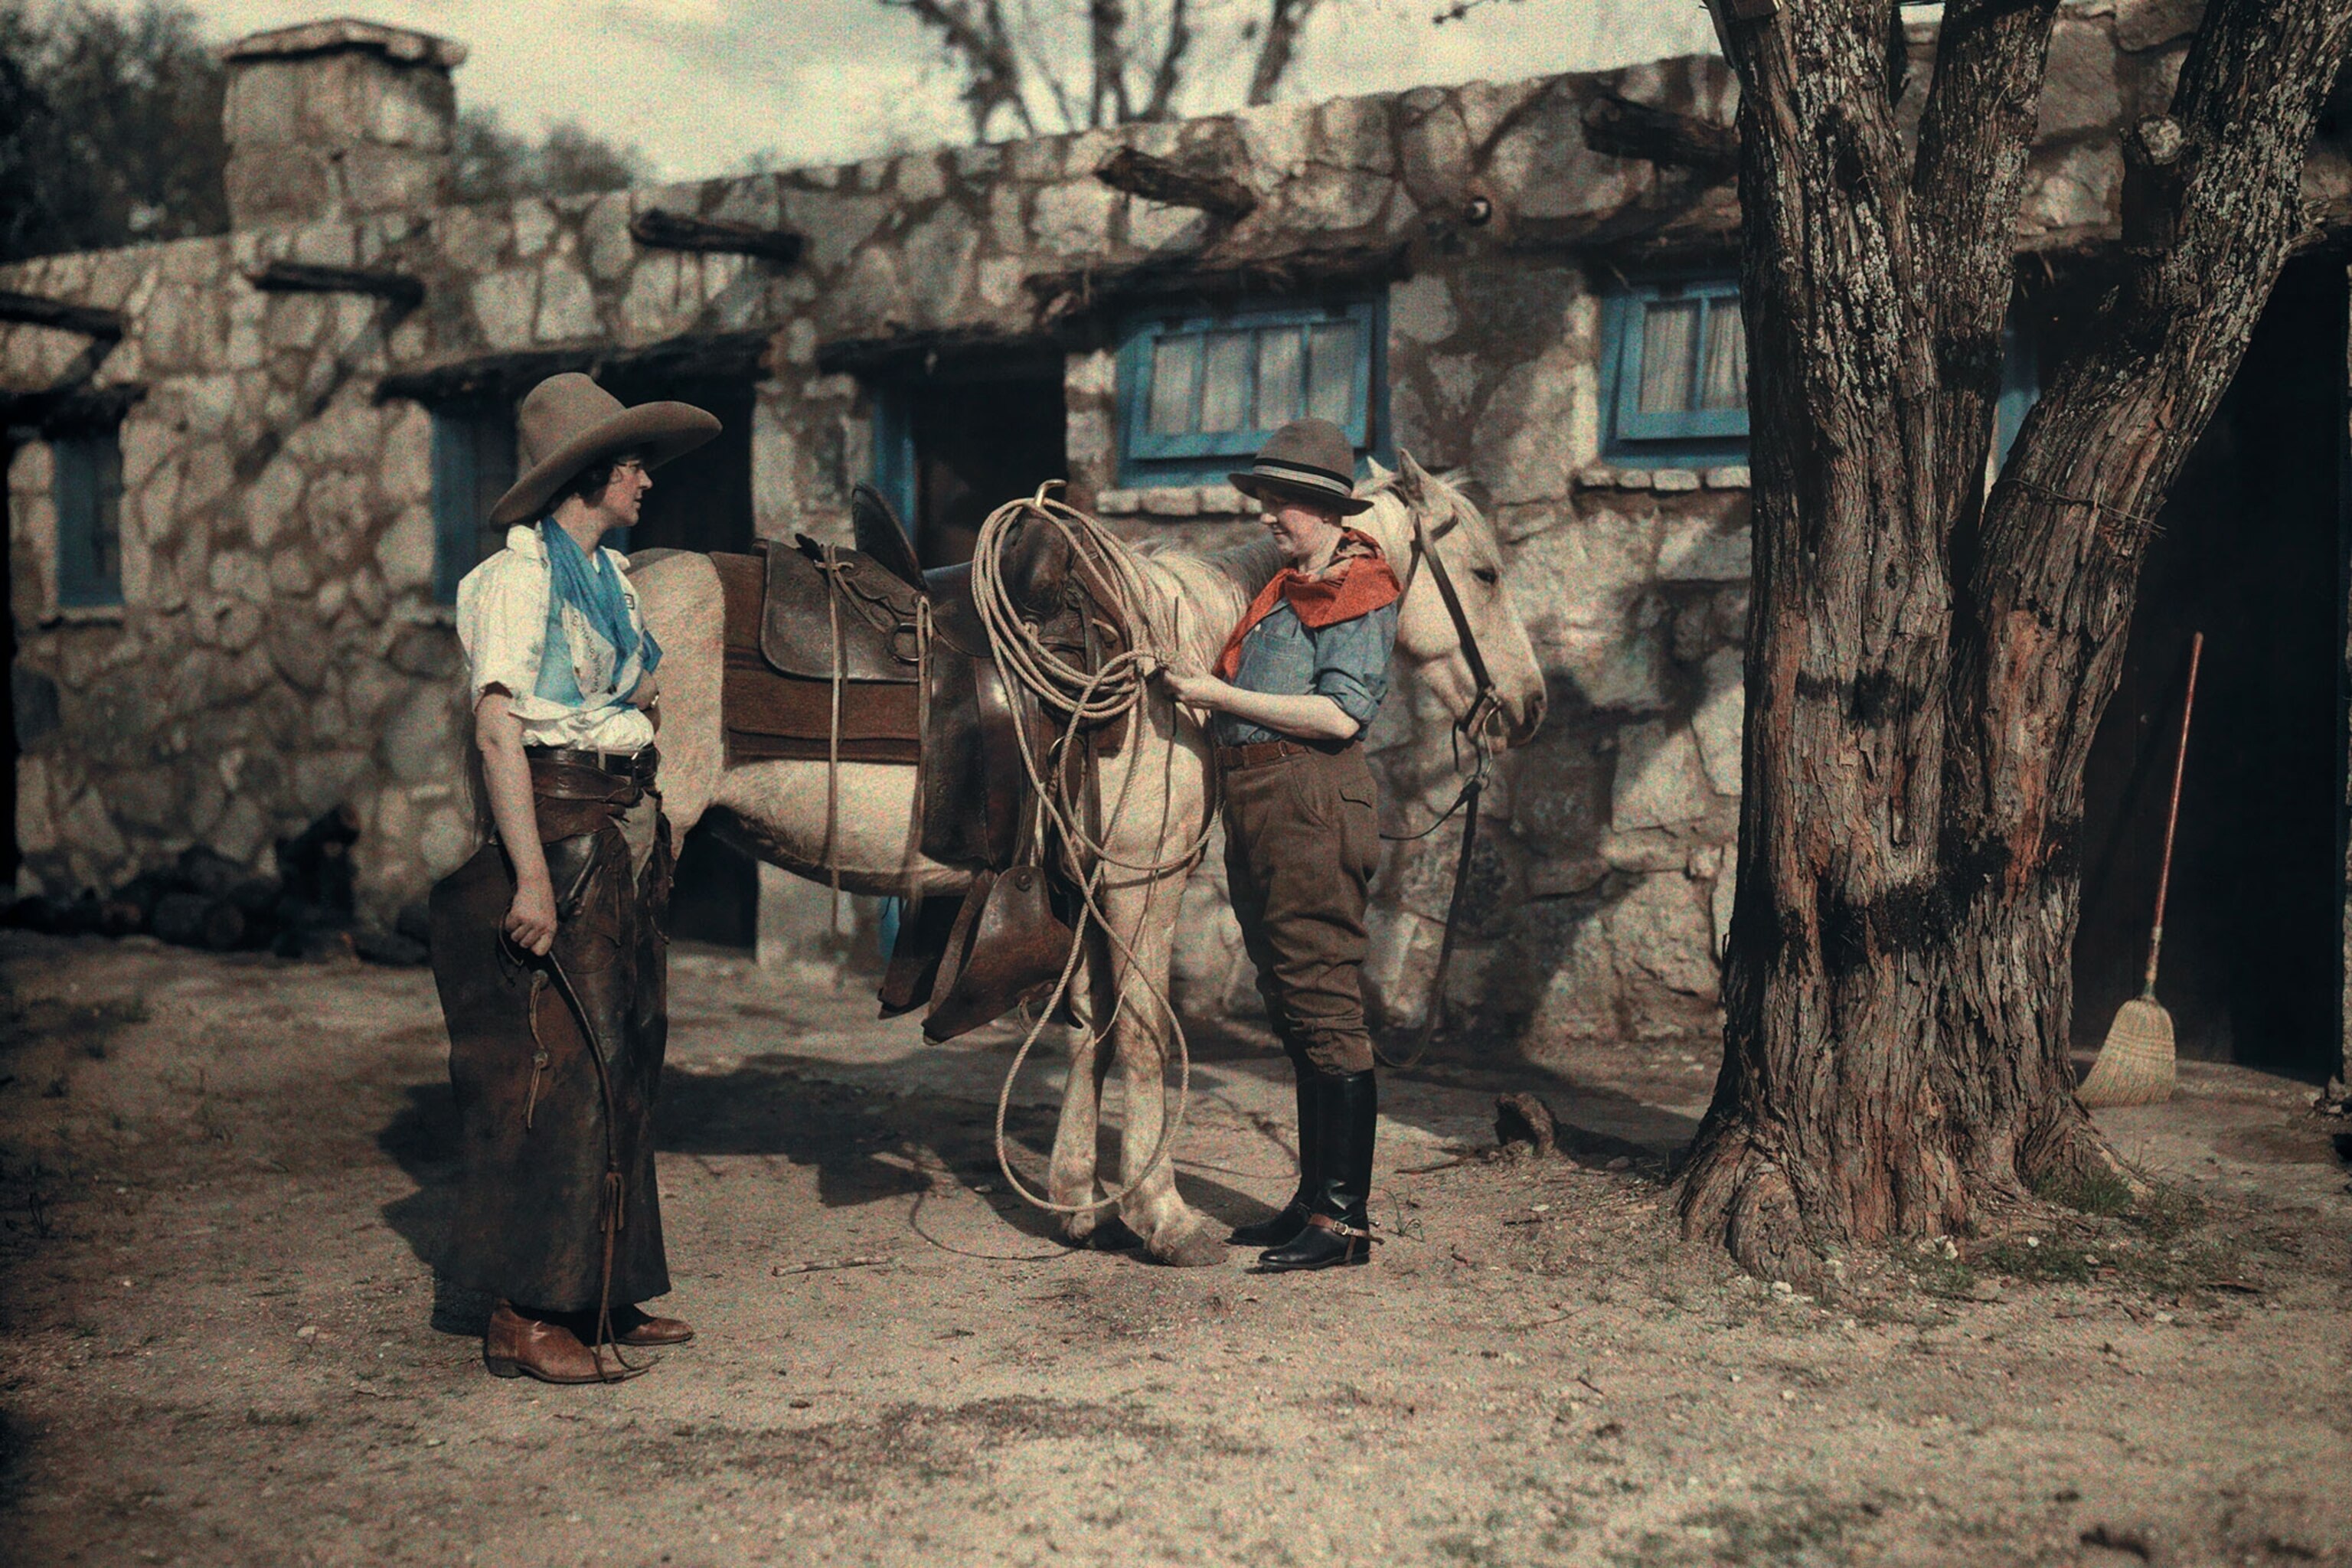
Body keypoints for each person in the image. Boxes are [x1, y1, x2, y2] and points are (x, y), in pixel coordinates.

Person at [427, 372, 719, 1381]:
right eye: (633, 462)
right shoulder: (517, 581)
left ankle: (603, 1289)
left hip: (614, 827)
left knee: (628, 1059)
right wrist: (531, 882)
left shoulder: (609, 579)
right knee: (561, 1074)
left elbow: (617, 687)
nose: (646, 478)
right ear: (589, 474)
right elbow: (499, 732)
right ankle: (524, 1311)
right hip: (556, 831)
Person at [1161, 417, 1401, 1272]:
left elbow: (1342, 712)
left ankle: (1344, 1223)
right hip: (1262, 795)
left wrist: (1210, 693)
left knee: (1324, 999)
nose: (1268, 515)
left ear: (1331, 509)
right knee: (1292, 998)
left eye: (1285, 501)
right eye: (1266, 499)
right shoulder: (1289, 586)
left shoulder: (1359, 586)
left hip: (1309, 794)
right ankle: (1313, 1198)